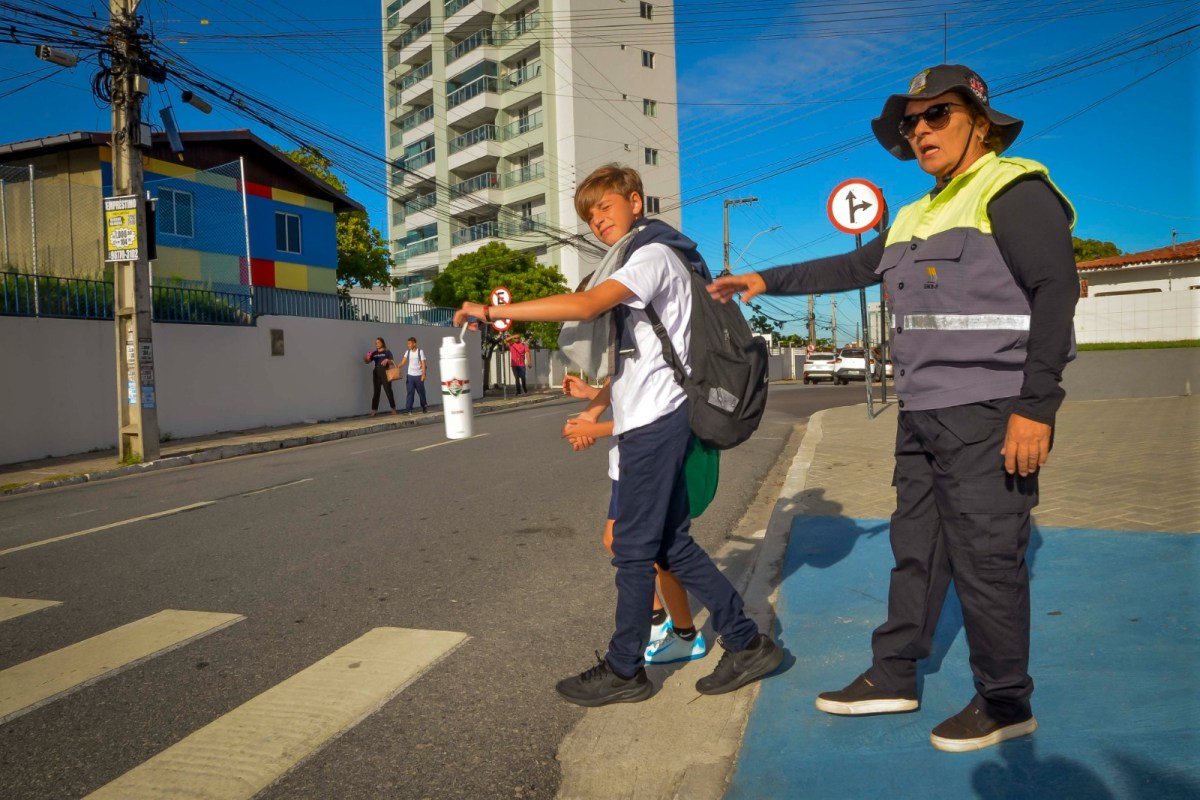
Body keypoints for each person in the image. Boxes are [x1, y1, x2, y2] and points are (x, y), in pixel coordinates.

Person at [709, 65, 1079, 752]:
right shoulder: (916, 214)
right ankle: (894, 674)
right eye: (910, 122)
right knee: (917, 551)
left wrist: (1038, 404)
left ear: (978, 116)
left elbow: (1057, 291)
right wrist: (765, 277)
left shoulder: (1015, 190)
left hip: (990, 412)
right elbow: (851, 269)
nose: (919, 130)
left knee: (988, 559)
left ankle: (1005, 700)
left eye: (935, 114)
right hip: (923, 411)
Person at [453, 165, 782, 707]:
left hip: (657, 420)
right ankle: (747, 644)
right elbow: (635, 356)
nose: (596, 221)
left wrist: (492, 311)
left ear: (635, 201)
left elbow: (584, 305)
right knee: (669, 542)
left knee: (632, 547)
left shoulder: (652, 255)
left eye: (605, 207)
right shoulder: (642, 257)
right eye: (588, 215)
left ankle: (625, 669)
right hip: (645, 417)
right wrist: (598, 404)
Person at [562, 374, 707, 665]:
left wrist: (593, 428)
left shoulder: (649, 337)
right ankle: (662, 623)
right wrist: (590, 398)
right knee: (620, 542)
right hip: (629, 464)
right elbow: (623, 387)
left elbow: (653, 419)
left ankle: (685, 634)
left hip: (646, 462)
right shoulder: (630, 341)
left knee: (659, 552)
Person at [363, 337, 398, 416]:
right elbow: (366, 361)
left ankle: (393, 409)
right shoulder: (374, 353)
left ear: (382, 343)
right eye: (376, 343)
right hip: (376, 373)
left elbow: (392, 362)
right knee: (376, 392)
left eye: (378, 342)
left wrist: (387, 360)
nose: (377, 344)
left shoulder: (387, 352)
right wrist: (366, 358)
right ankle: (374, 411)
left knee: (388, 391)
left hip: (385, 373)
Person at [398, 337, 428, 414]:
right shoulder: (407, 352)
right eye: (408, 344)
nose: (408, 345)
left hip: (419, 376)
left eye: (409, 343)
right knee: (410, 392)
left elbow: (423, 363)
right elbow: (403, 362)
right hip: (410, 376)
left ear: (414, 343)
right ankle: (409, 409)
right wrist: (396, 366)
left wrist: (423, 374)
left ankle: (424, 406)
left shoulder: (420, 352)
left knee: (421, 393)